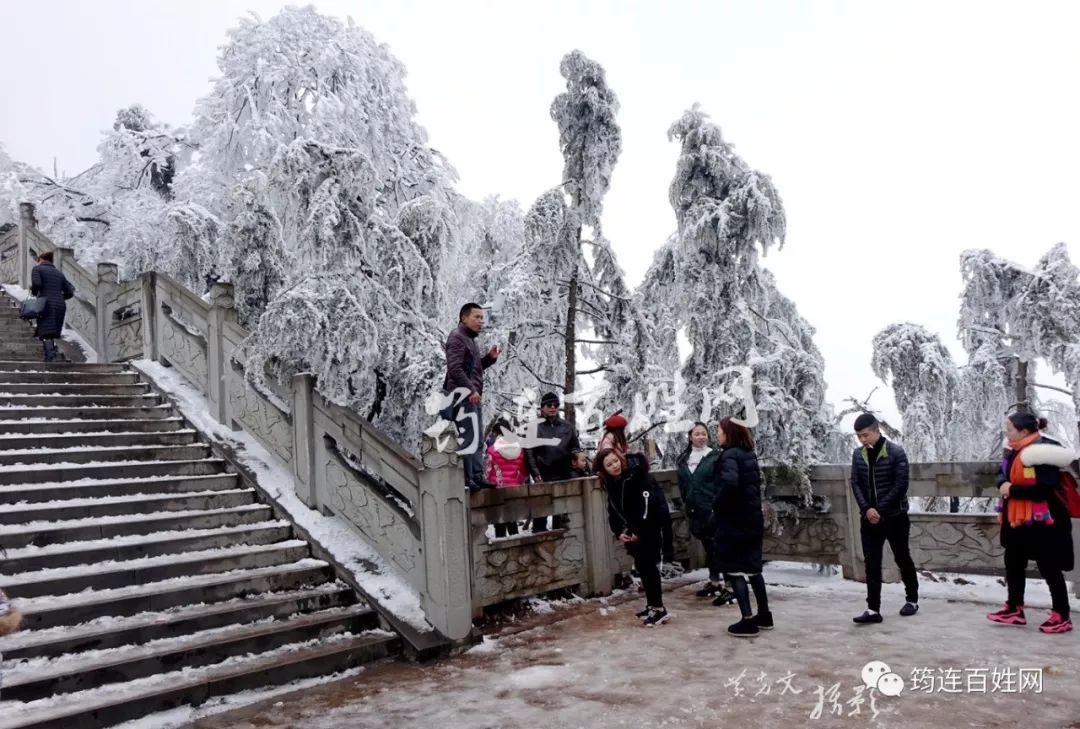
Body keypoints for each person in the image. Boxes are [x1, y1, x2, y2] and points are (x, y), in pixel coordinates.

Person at [987, 412, 1074, 634]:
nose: (1006, 432)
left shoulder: (1042, 452)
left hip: (1044, 522)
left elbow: (1045, 488)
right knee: (1013, 563)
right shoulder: (1012, 449)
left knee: (1049, 567)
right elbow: (1001, 473)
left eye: (1010, 428)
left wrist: (1012, 489)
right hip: (1015, 520)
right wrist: (1003, 484)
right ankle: (1014, 608)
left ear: (1024, 431)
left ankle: (1061, 615)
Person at [849, 412, 919, 625]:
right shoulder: (858, 454)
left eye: (866, 435)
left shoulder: (896, 453)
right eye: (859, 436)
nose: (863, 439)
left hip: (894, 517)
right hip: (868, 519)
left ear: (877, 430)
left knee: (901, 557)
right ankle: (873, 609)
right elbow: (855, 483)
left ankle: (912, 599)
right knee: (872, 563)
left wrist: (878, 509)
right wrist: (866, 509)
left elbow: (901, 485)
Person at [712, 417, 772, 637]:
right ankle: (764, 614)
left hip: (734, 521)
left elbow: (729, 483)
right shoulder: (749, 454)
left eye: (719, 430)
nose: (717, 434)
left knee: (735, 570)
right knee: (754, 570)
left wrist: (716, 504)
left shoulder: (729, 455)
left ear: (730, 433)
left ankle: (747, 621)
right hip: (752, 518)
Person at [597, 447, 670, 627]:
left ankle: (659, 609)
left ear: (620, 459)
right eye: (609, 465)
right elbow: (613, 510)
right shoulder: (612, 483)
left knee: (649, 568)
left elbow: (647, 506)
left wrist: (640, 531)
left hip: (649, 528)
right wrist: (618, 531)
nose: (614, 466)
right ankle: (652, 605)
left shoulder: (637, 476)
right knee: (643, 567)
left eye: (615, 461)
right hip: (633, 532)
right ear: (603, 469)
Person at [677, 422, 736, 606]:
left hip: (713, 509)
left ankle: (730, 586)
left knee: (721, 548)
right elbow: (683, 485)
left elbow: (722, 483)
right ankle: (714, 582)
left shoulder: (715, 457)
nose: (701, 437)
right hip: (696, 511)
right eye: (697, 434)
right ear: (690, 437)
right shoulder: (683, 459)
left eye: (704, 434)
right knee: (709, 548)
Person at [443, 303, 500, 492]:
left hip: (471, 396)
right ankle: (468, 478)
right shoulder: (457, 337)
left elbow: (472, 370)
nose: (481, 321)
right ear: (463, 318)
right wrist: (470, 390)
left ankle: (476, 475)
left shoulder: (470, 341)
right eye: (477, 317)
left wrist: (489, 359)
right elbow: (455, 369)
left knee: (476, 439)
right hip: (462, 396)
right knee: (469, 438)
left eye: (482, 318)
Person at [524, 392, 580, 531]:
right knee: (540, 514)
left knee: (561, 516)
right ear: (542, 407)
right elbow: (528, 451)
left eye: (556, 405)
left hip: (564, 474)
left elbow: (575, 448)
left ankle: (560, 546)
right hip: (543, 475)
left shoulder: (567, 427)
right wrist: (534, 472)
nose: (553, 407)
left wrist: (575, 464)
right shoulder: (533, 427)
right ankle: (538, 542)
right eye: (549, 405)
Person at [486, 421, 529, 538]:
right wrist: (516, 481)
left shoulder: (492, 450)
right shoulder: (519, 449)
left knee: (499, 524)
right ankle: (517, 551)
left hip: (497, 490)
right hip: (514, 491)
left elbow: (489, 471)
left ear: (496, 433)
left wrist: (490, 482)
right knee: (512, 521)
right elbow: (524, 472)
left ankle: (502, 552)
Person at [30, 251, 74, 362]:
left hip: (45, 304)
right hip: (59, 305)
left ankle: (51, 356)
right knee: (50, 331)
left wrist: (34, 292)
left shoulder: (37, 269)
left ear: (41, 259)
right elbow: (69, 292)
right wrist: (59, 298)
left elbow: (37, 284)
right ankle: (50, 355)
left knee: (45, 331)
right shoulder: (59, 273)